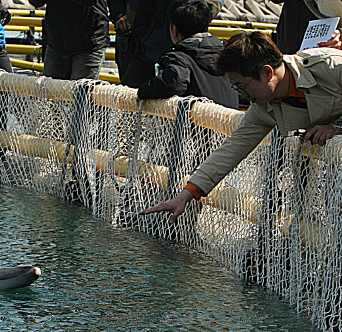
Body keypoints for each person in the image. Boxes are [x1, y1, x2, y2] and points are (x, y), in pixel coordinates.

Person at [140, 32, 342, 221]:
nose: (242, 96)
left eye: (242, 87)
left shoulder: (331, 67)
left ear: (267, 73)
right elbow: (233, 148)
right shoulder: (265, 106)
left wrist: (337, 127)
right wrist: (186, 194)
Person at [136, 0, 238, 109]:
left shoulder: (180, 57)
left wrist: (143, 91)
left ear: (174, 30)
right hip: (230, 122)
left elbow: (174, 83)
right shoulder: (225, 53)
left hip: (198, 124)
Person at [27, 0, 110, 80]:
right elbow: (36, 2)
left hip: (88, 44)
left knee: (80, 93)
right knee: (52, 92)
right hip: (57, 43)